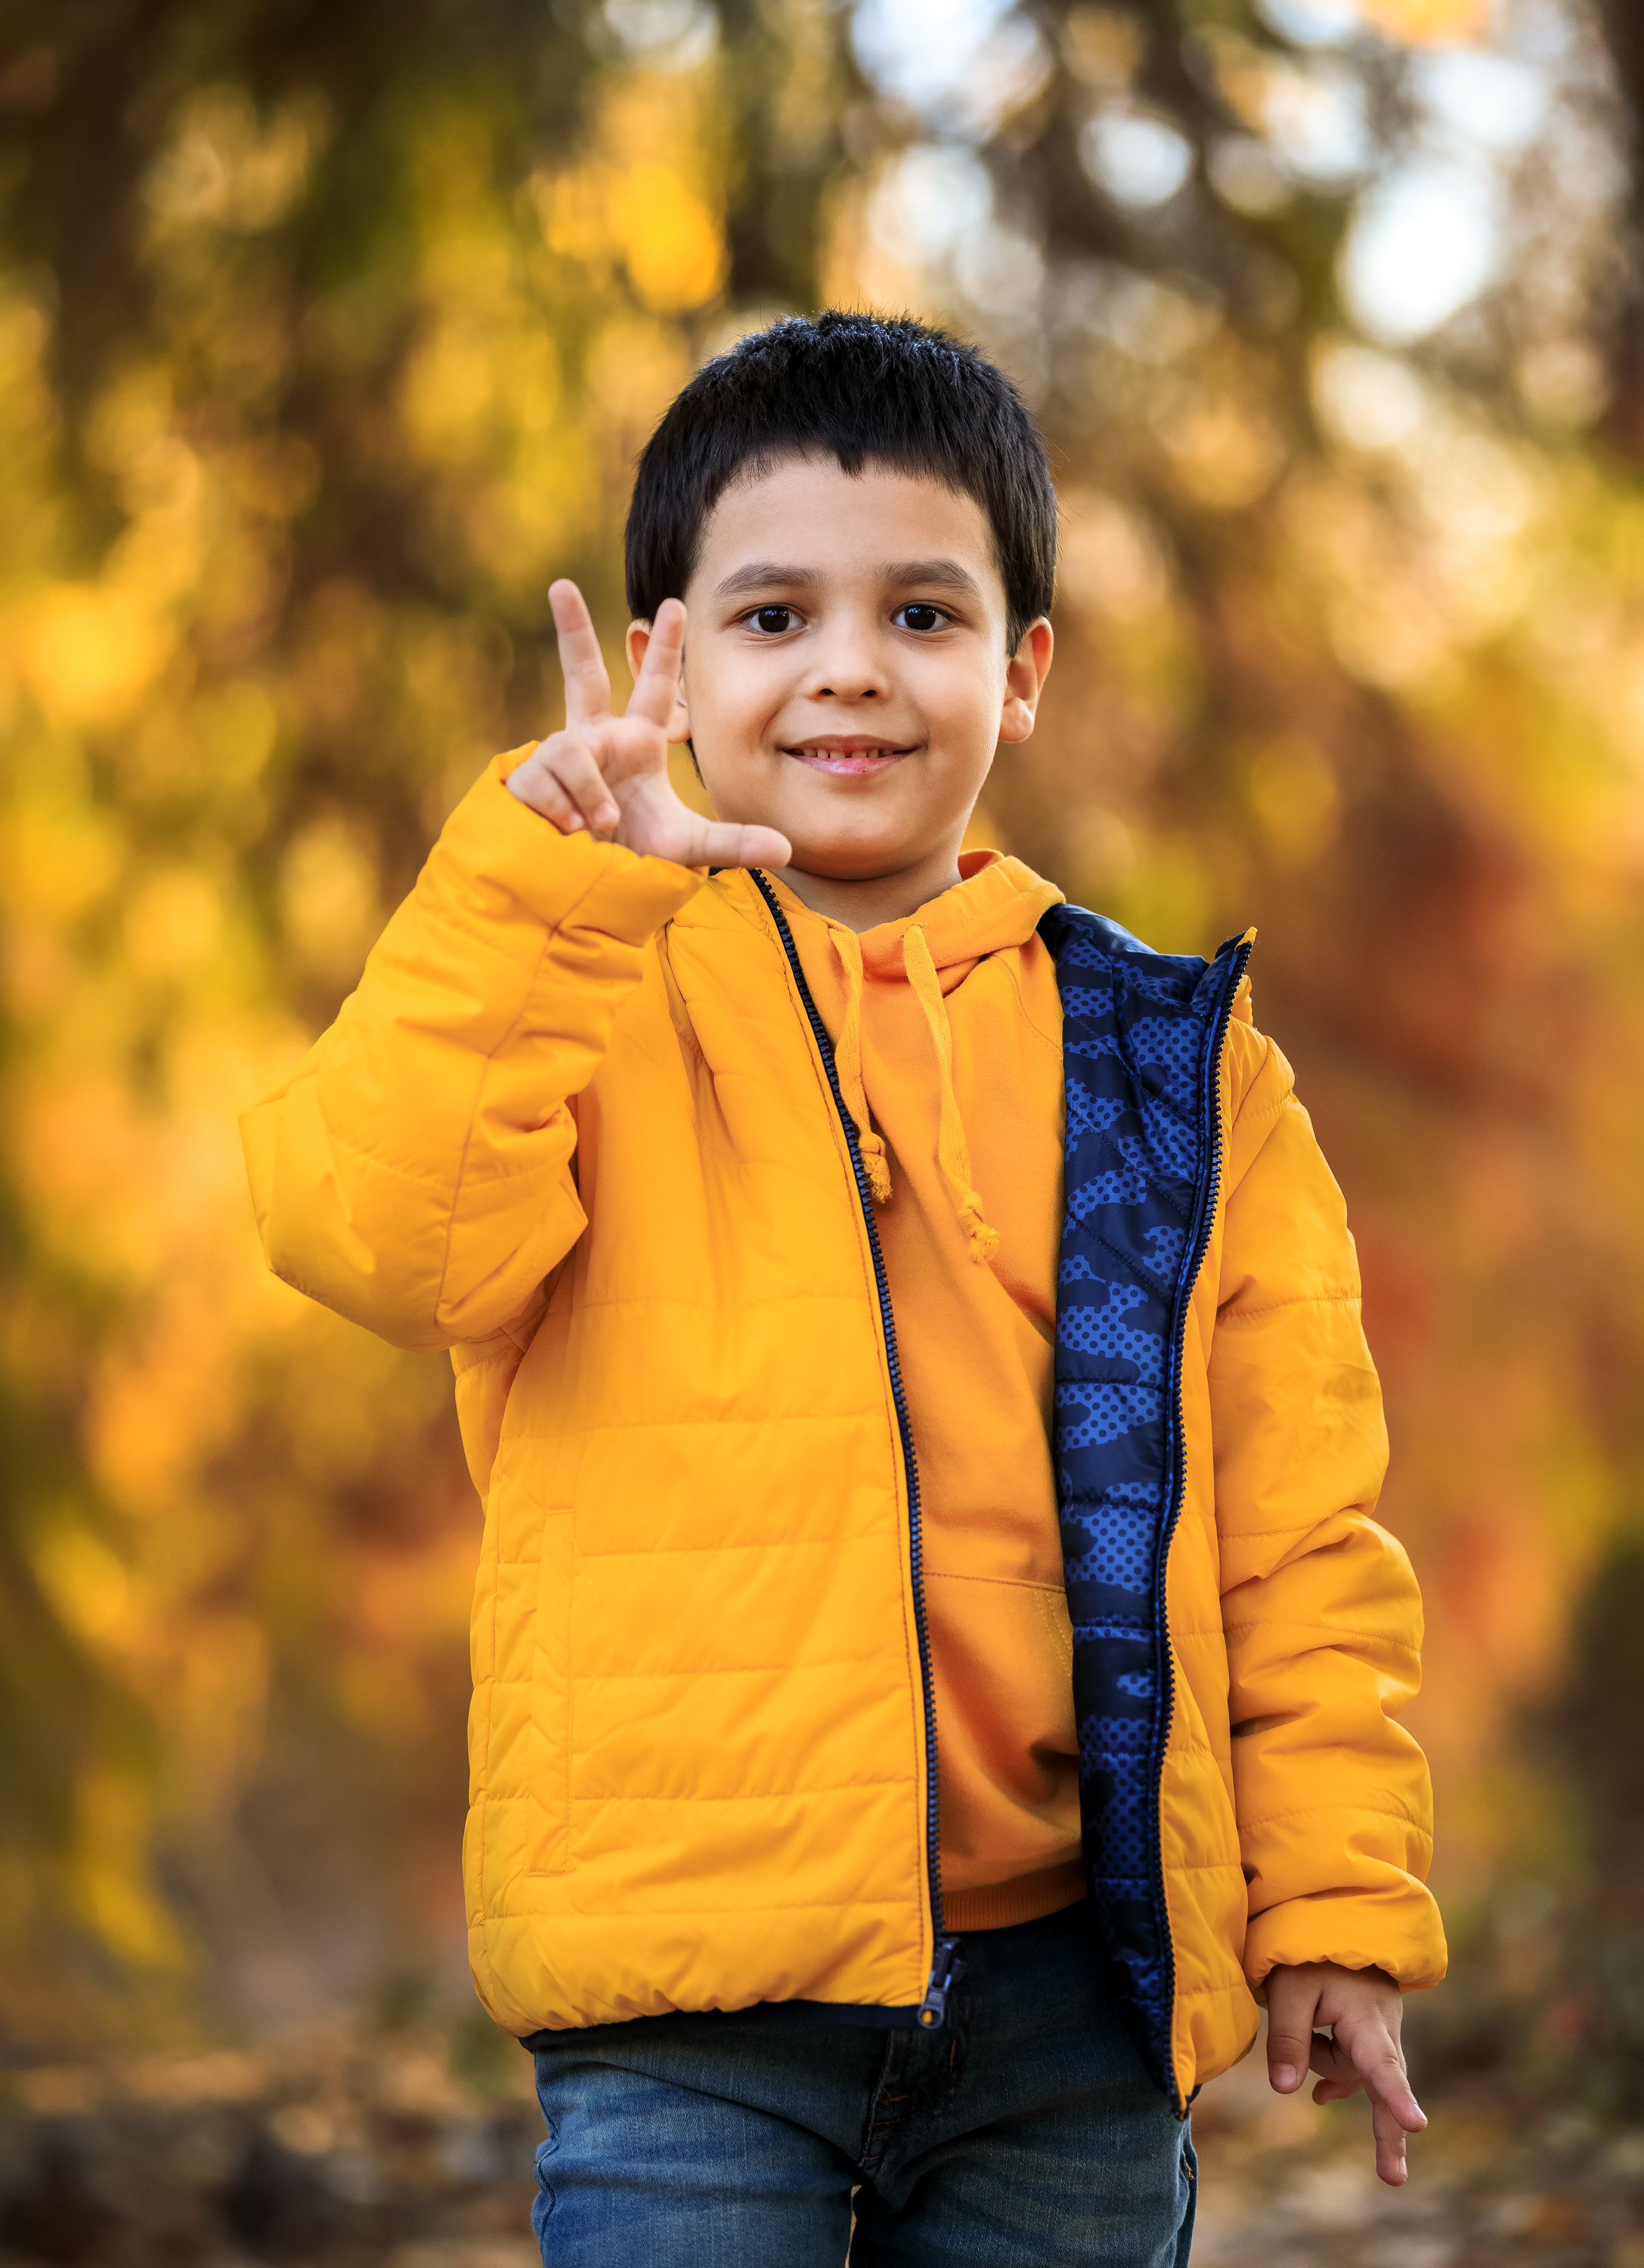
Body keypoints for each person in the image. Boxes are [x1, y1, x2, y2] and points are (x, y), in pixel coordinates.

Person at [241, 311, 1446, 2265]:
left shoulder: (1170, 1063)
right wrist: (540, 891)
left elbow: (1299, 1531)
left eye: (923, 615)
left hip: (1073, 1991)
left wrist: (1329, 1907)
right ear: (673, 657)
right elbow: (371, 1239)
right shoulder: (578, 982)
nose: (851, 674)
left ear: (1024, 668)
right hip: (690, 1991)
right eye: (776, 617)